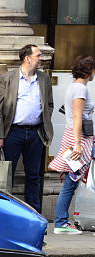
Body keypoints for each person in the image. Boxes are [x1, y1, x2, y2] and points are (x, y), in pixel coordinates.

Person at [0, 44, 53, 212]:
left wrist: (43, 124)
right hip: (12, 132)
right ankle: (5, 212)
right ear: (27, 58)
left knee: (34, 176)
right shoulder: (7, 78)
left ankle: (34, 214)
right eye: (38, 55)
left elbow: (49, 104)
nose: (41, 58)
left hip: (36, 134)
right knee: (6, 176)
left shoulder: (44, 79)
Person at [48, 55, 95, 235]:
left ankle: (62, 221)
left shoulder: (75, 87)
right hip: (79, 139)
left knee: (71, 182)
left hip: (78, 138)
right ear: (89, 70)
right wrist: (77, 144)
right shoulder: (80, 90)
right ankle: (61, 222)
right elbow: (77, 117)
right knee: (70, 183)